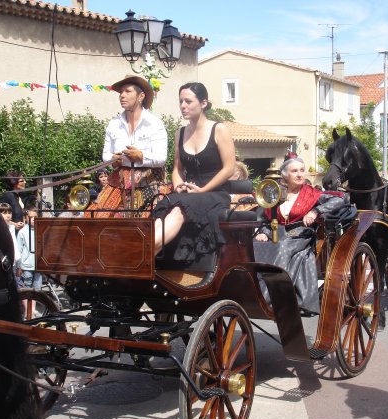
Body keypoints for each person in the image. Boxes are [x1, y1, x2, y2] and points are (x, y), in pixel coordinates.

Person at [152, 82, 235, 260]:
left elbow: (229, 168)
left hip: (214, 192)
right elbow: (177, 168)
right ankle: (144, 258)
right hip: (188, 192)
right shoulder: (180, 133)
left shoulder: (219, 129)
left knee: (177, 211)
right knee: (162, 211)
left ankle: (139, 256)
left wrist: (203, 189)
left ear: (203, 103)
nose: (183, 106)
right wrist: (177, 186)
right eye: (180, 101)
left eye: (188, 101)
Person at [254, 156, 345, 314]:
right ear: (285, 175)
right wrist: (262, 232)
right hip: (275, 232)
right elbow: (262, 216)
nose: (299, 174)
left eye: (302, 170)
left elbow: (339, 201)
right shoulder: (274, 193)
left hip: (300, 235)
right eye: (294, 171)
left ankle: (268, 296)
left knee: (281, 247)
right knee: (254, 245)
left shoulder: (312, 193)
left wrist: (316, 211)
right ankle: (251, 289)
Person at [93, 75, 168, 217]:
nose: (122, 95)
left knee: (147, 222)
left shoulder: (155, 123)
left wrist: (141, 157)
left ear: (141, 96)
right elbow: (106, 154)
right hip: (118, 181)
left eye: (127, 91)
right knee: (99, 216)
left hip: (149, 182)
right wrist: (113, 159)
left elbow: (161, 158)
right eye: (121, 92)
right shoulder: (113, 124)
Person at [16, 204, 42, 291]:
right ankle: (27, 305)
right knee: (27, 287)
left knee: (37, 288)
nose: (33, 219)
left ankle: (34, 305)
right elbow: (18, 250)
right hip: (26, 265)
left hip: (39, 264)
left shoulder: (42, 230)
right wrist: (18, 266)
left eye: (35, 217)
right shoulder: (22, 232)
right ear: (26, 218)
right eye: (30, 217)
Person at [0, 202, 21, 284]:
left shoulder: (11, 228)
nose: (8, 216)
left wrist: (19, 266)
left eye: (10, 213)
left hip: (12, 263)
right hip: (0, 264)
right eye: (4, 213)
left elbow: (15, 246)